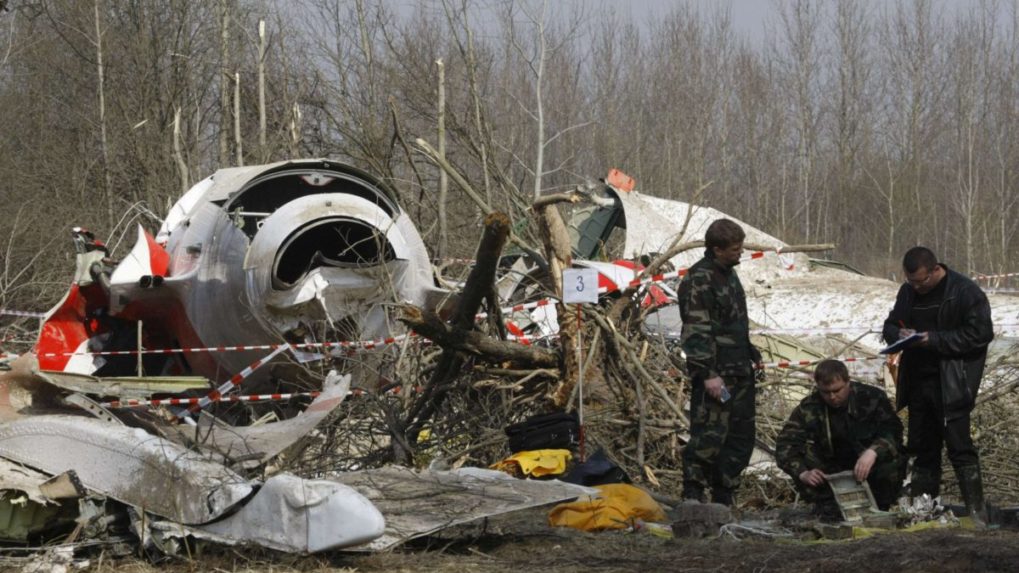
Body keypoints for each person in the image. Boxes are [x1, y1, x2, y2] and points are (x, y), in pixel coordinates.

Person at [882, 246, 993, 521]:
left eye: (922, 281)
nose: (917, 287)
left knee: (959, 447)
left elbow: (980, 334)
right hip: (918, 382)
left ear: (934, 270)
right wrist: (899, 332)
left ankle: (976, 514)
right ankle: (923, 512)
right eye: (911, 281)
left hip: (952, 382)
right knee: (922, 448)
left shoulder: (965, 292)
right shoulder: (907, 291)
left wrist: (934, 339)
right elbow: (889, 324)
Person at [677, 218, 761, 506]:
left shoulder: (729, 275)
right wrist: (707, 374)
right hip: (717, 375)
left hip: (740, 371)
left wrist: (749, 350)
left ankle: (724, 494)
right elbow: (696, 329)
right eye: (735, 249)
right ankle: (693, 492)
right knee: (709, 435)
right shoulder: (699, 280)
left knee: (740, 436)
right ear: (717, 249)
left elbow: (731, 322)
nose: (740, 253)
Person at [775, 360, 904, 516]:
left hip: (869, 466)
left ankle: (884, 500)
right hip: (830, 469)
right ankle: (827, 504)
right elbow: (785, 445)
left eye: (837, 390)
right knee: (804, 457)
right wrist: (803, 473)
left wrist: (873, 452)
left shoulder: (872, 398)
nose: (832, 397)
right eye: (825, 392)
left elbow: (893, 430)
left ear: (848, 382)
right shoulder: (809, 407)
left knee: (891, 456)